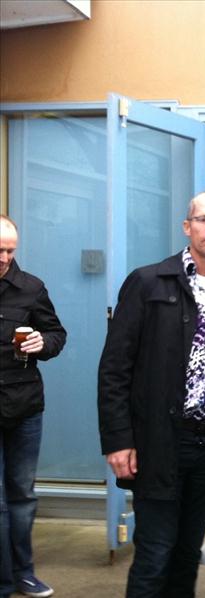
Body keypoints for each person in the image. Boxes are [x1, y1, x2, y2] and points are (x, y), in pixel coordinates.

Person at [97, 191, 205, 598]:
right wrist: (118, 440)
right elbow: (115, 367)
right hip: (159, 441)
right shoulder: (149, 282)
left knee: (186, 554)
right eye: (204, 219)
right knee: (155, 553)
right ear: (188, 227)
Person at [0, 215, 66, 598]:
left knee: (22, 495)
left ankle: (23, 572)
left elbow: (57, 334)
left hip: (25, 407)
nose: (5, 258)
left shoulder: (31, 287)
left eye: (10, 250)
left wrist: (44, 343)